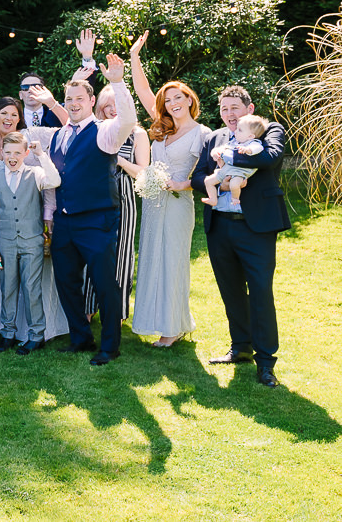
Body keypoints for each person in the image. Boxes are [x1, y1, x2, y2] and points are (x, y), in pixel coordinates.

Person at [190, 85, 290, 388]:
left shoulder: (268, 129)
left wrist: (229, 158)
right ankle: (241, 347)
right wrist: (220, 184)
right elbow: (198, 176)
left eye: (235, 107)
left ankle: (266, 361)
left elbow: (270, 158)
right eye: (224, 109)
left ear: (249, 108)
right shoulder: (214, 138)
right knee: (231, 290)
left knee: (260, 292)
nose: (229, 114)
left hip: (256, 226)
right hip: (220, 225)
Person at [46, 53, 137, 366]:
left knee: (104, 284)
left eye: (78, 98)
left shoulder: (105, 131)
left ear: (91, 99)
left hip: (97, 221)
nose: (73, 103)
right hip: (65, 222)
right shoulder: (58, 135)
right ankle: (81, 338)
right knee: (66, 282)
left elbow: (128, 121)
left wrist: (118, 82)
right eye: (68, 99)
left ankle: (110, 346)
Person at [129, 33, 208, 347]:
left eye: (178, 97)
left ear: (189, 99)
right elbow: (143, 90)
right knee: (151, 258)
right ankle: (156, 321)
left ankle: (174, 326)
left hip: (178, 203)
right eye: (168, 100)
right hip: (153, 202)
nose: (173, 104)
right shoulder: (162, 126)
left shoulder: (202, 134)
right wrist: (135, 56)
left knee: (173, 261)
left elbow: (209, 174)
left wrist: (184, 183)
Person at [0, 92, 69, 343]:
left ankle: (36, 335)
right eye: (7, 153)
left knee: (32, 290)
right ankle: (7, 333)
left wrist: (41, 155)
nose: (12, 157)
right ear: (3, 154)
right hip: (5, 242)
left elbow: (55, 180)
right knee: (8, 289)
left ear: (24, 153)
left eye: (17, 153)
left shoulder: (36, 173)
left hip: (32, 242)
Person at [86, 83, 149, 322]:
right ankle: (89, 307)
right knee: (92, 250)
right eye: (107, 105)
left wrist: (119, 160)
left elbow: (143, 173)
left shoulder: (138, 133)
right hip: (94, 196)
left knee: (121, 252)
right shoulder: (95, 129)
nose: (113, 110)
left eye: (117, 104)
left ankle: (117, 311)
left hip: (123, 195)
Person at [201, 114, 267, 208]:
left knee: (234, 184)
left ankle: (235, 198)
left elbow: (258, 148)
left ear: (250, 136)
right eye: (237, 129)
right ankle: (213, 199)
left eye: (240, 130)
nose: (235, 131)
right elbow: (221, 148)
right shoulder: (233, 142)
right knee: (208, 181)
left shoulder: (253, 143)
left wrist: (248, 150)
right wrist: (215, 153)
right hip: (225, 170)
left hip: (239, 172)